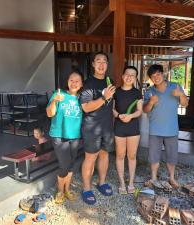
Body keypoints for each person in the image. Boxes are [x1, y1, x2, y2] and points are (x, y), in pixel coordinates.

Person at [143, 64, 188, 188]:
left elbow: (185, 104)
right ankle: (153, 178)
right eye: (153, 76)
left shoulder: (175, 86)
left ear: (163, 73)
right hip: (155, 129)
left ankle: (172, 178)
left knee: (172, 156)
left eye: (158, 74)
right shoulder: (149, 91)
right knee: (153, 156)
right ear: (150, 78)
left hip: (171, 129)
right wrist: (151, 102)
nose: (156, 77)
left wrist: (181, 95)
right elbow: (145, 110)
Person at [79, 52, 116, 205]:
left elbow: (111, 104)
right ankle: (86, 189)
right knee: (90, 157)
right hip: (91, 127)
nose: (101, 64)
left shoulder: (109, 82)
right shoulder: (88, 84)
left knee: (104, 155)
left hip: (107, 126)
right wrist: (103, 97)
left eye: (104, 61)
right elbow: (86, 108)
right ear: (93, 64)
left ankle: (101, 182)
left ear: (107, 64)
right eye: (98, 61)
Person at [46, 71, 83, 204]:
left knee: (71, 164)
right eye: (71, 80)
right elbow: (50, 114)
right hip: (59, 135)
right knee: (64, 164)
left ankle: (67, 189)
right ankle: (60, 191)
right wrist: (55, 101)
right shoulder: (59, 95)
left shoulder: (81, 98)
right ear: (67, 82)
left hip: (75, 136)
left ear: (81, 84)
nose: (74, 83)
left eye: (77, 81)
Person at [113, 66, 143, 194]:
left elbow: (139, 111)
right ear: (122, 76)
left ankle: (130, 182)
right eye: (127, 74)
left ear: (135, 78)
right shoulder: (116, 92)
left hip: (133, 127)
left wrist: (130, 116)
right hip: (119, 126)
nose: (129, 77)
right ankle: (121, 183)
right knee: (120, 155)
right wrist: (119, 116)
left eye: (133, 75)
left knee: (132, 156)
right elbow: (112, 110)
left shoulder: (137, 93)